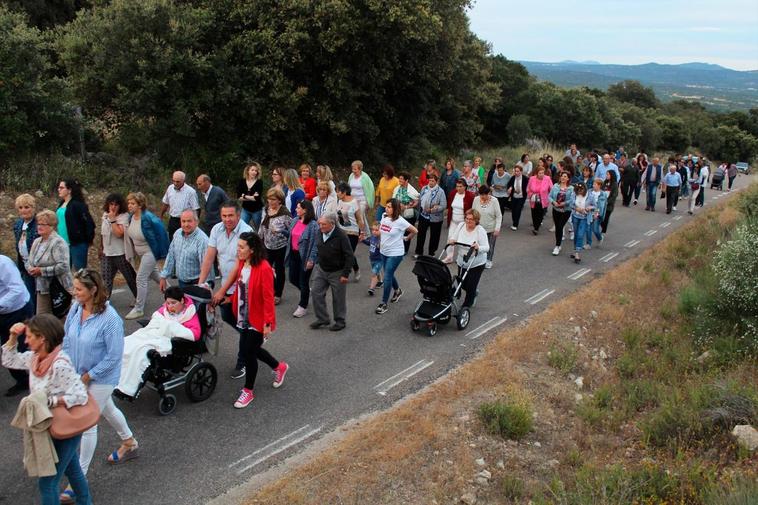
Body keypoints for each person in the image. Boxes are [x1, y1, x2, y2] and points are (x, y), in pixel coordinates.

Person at [62, 269, 137, 501]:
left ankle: (78, 479)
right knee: (108, 410)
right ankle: (130, 442)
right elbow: (66, 338)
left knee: (88, 424)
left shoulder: (111, 319)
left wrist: (89, 376)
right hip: (77, 373)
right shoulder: (75, 308)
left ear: (93, 290)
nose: (74, 293)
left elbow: (114, 356)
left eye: (78, 289)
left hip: (101, 377)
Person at [3, 314, 92, 505]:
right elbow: (9, 361)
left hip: (65, 428)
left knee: (47, 483)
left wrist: (48, 401)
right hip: (49, 426)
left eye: (29, 337)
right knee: (72, 468)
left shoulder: (60, 364)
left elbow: (80, 395)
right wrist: (12, 337)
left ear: (42, 338)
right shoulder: (34, 358)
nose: (25, 341)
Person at [212, 232, 288, 408]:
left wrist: (267, 323)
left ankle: (248, 391)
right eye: (237, 246)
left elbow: (269, 298)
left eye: (241, 247)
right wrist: (227, 298)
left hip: (258, 318)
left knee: (247, 353)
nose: (237, 250)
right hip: (242, 315)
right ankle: (279, 367)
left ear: (252, 250)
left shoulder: (264, 268)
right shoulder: (242, 262)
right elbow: (242, 289)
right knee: (252, 350)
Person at [197, 201, 252, 379]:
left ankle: (243, 361)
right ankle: (252, 337)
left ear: (238, 214)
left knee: (242, 324)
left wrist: (222, 291)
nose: (227, 219)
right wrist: (200, 284)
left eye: (231, 216)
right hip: (227, 283)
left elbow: (239, 266)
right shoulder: (216, 230)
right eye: (224, 216)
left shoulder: (246, 233)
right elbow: (209, 257)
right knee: (229, 317)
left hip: (244, 285)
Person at [115, 286, 201, 398]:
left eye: (173, 303)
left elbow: (195, 334)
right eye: (167, 303)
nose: (169, 306)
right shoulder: (164, 310)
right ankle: (118, 381)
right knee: (127, 343)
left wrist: (171, 326)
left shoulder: (189, 314)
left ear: (182, 301)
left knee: (141, 350)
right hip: (153, 335)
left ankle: (128, 388)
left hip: (172, 343)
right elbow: (155, 320)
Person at [124, 192, 170, 320]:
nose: (129, 205)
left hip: (150, 252)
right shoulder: (131, 217)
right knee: (156, 276)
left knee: (141, 278)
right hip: (140, 252)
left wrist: (162, 253)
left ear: (140, 205)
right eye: (129, 203)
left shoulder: (148, 218)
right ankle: (173, 295)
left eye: (132, 203)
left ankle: (139, 308)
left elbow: (161, 234)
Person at [308, 213, 354, 331]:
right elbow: (316, 247)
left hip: (337, 272)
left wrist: (345, 274)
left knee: (338, 298)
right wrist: (312, 260)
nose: (321, 226)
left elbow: (349, 256)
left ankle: (340, 321)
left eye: (324, 224)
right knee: (316, 292)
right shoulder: (320, 232)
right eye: (320, 224)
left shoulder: (341, 236)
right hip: (321, 268)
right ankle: (323, 318)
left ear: (332, 224)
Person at [0, 255, 35, 396]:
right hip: (3, 312)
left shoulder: (4, 264)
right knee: (7, 349)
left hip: (18, 311)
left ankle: (27, 381)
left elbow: (16, 290)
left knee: (15, 349)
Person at [375, 199, 417, 315]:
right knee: (389, 273)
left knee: (387, 276)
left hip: (395, 253)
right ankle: (397, 291)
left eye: (389, 207)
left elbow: (415, 230)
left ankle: (384, 303)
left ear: (395, 209)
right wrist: (379, 240)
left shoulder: (401, 221)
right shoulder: (384, 216)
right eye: (386, 206)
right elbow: (382, 231)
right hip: (383, 251)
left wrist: (407, 238)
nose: (386, 208)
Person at [28, 210, 73, 316]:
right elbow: (30, 262)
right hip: (42, 288)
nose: (39, 226)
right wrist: (31, 269)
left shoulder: (58, 242)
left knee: (61, 321)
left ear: (52, 226)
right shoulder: (36, 242)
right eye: (38, 224)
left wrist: (42, 271)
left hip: (60, 287)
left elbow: (63, 266)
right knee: (43, 321)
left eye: (43, 224)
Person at [445, 209, 489, 308]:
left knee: (471, 286)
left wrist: (478, 247)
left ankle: (467, 304)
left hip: (476, 262)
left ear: (476, 220)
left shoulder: (480, 230)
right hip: (462, 260)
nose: (468, 221)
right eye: (467, 218)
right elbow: (454, 237)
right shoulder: (461, 226)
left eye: (471, 219)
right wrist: (452, 240)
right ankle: (473, 292)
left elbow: (487, 247)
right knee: (463, 284)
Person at [99, 193, 138, 299]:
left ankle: (138, 299)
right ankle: (104, 303)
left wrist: (112, 220)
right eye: (111, 204)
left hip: (121, 253)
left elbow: (119, 234)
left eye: (116, 205)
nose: (113, 207)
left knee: (130, 278)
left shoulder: (124, 216)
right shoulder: (105, 215)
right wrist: (101, 247)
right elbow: (103, 233)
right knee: (106, 279)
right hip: (107, 252)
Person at [159, 209, 209, 289]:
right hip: (181, 281)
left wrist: (202, 286)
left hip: (196, 283)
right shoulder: (177, 234)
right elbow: (171, 256)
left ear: (196, 222)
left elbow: (205, 266)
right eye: (183, 221)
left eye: (189, 221)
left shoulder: (202, 240)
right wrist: (163, 276)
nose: (186, 224)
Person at [258, 188, 292, 305]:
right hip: (267, 245)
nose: (270, 202)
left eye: (273, 199)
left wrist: (280, 232)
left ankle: (278, 294)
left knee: (279, 270)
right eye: (269, 199)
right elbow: (262, 225)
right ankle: (271, 289)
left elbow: (291, 230)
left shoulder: (285, 213)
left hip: (281, 246)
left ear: (279, 200)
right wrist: (259, 240)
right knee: (266, 270)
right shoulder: (266, 209)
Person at [286, 200, 319, 318]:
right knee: (292, 278)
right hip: (294, 255)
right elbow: (291, 235)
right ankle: (307, 293)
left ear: (305, 210)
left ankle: (302, 306)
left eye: (298, 208)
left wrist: (311, 259)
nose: (296, 209)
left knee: (304, 281)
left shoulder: (313, 225)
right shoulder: (295, 220)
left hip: (305, 257)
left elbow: (315, 244)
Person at [56, 179, 95, 270]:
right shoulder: (61, 204)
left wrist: (87, 239)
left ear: (69, 190)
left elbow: (89, 223)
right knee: (64, 272)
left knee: (80, 272)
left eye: (61, 188)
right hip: (62, 244)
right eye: (59, 187)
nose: (59, 189)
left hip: (76, 243)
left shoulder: (77, 205)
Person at [13, 193, 39, 311]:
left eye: (27, 207)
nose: (24, 210)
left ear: (33, 208)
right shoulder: (18, 224)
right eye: (21, 207)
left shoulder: (39, 223)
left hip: (38, 266)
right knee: (28, 295)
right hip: (24, 265)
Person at [336, 182, 366, 281]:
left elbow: (360, 219)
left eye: (338, 191)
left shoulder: (354, 202)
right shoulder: (339, 201)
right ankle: (346, 271)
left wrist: (362, 232)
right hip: (341, 231)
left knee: (349, 253)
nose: (337, 193)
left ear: (344, 192)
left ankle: (354, 270)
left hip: (352, 232)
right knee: (341, 253)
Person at [160, 171, 200, 240]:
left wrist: (195, 223)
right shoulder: (170, 188)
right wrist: (161, 215)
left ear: (183, 181)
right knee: (172, 240)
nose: (175, 183)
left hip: (186, 221)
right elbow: (166, 203)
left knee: (185, 240)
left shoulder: (190, 192)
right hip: (173, 220)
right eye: (174, 181)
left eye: (178, 181)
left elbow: (196, 208)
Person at [414, 173, 447, 258]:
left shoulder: (440, 191)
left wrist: (433, 209)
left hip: (435, 218)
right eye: (429, 180)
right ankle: (418, 252)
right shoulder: (424, 188)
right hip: (423, 215)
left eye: (433, 181)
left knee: (434, 236)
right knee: (421, 234)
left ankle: (431, 253)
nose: (431, 182)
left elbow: (443, 205)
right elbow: (420, 199)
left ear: (436, 181)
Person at [472, 185, 502, 269]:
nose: (482, 196)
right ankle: (479, 259)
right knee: (479, 245)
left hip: (491, 228)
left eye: (484, 195)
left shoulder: (494, 201)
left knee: (490, 245)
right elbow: (473, 212)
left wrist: (497, 228)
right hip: (479, 228)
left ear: (488, 193)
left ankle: (488, 260)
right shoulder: (476, 199)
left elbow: (499, 216)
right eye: (481, 194)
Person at [548, 172, 576, 256]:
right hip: (556, 209)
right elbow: (549, 196)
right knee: (558, 227)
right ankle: (558, 244)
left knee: (560, 226)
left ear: (568, 178)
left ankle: (557, 246)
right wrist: (553, 202)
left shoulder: (571, 188)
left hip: (566, 211)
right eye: (562, 176)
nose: (563, 178)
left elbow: (572, 199)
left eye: (565, 176)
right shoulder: (555, 186)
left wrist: (564, 203)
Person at [392, 172, 420, 255]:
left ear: (406, 180)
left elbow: (416, 202)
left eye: (401, 179)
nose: (399, 180)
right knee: (398, 230)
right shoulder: (397, 188)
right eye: (399, 178)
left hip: (408, 214)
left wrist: (407, 206)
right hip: (398, 213)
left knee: (407, 231)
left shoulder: (412, 191)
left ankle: (405, 249)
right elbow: (393, 198)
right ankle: (397, 247)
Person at [348, 160, 374, 234]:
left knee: (360, 215)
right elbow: (348, 187)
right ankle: (367, 233)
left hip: (362, 200)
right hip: (353, 200)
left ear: (360, 169)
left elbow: (370, 190)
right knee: (358, 216)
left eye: (355, 169)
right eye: (352, 169)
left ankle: (361, 233)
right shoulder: (351, 176)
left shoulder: (365, 177)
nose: (353, 171)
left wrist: (369, 202)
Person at [526, 165, 553, 235]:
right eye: (540, 173)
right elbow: (528, 189)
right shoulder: (532, 179)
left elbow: (551, 189)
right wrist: (531, 195)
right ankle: (535, 227)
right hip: (534, 199)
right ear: (536, 173)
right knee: (534, 214)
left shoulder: (547, 178)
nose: (541, 174)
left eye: (543, 173)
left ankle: (536, 228)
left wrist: (550, 197)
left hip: (543, 199)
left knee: (540, 215)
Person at [570, 183, 593, 264]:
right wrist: (577, 208)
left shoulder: (589, 196)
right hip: (575, 216)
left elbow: (595, 206)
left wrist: (589, 208)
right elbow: (571, 204)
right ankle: (575, 249)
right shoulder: (574, 194)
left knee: (580, 234)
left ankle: (577, 253)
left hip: (584, 218)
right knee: (576, 234)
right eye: (578, 190)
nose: (579, 192)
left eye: (581, 190)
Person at [237, 162, 264, 229]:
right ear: (248, 171)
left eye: (256, 171)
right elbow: (239, 197)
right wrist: (251, 197)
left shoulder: (259, 182)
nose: (254, 172)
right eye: (252, 170)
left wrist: (244, 195)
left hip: (257, 210)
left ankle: (259, 240)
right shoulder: (242, 181)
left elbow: (256, 199)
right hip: (245, 209)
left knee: (258, 229)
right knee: (241, 227)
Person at [587, 178, 608, 248]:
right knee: (588, 229)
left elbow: (601, 206)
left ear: (599, 185)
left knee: (595, 229)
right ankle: (588, 244)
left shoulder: (603, 194)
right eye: (593, 184)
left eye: (595, 184)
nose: (593, 185)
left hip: (597, 214)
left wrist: (597, 213)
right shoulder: (589, 191)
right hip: (589, 212)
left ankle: (600, 238)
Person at [363, 222, 383, 296]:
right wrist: (363, 240)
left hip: (379, 260)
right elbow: (369, 243)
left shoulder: (382, 240)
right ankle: (380, 282)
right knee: (377, 272)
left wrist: (380, 245)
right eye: (373, 230)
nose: (374, 231)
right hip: (372, 259)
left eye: (376, 230)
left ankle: (371, 288)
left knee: (374, 273)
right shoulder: (373, 237)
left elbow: (385, 250)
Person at [506, 165, 528, 230]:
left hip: (521, 197)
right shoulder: (513, 178)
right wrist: (510, 188)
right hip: (514, 196)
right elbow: (509, 185)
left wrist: (527, 191)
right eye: (515, 171)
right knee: (513, 210)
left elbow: (527, 187)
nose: (516, 173)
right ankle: (514, 221)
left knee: (518, 210)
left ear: (521, 171)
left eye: (518, 171)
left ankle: (515, 224)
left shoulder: (525, 178)